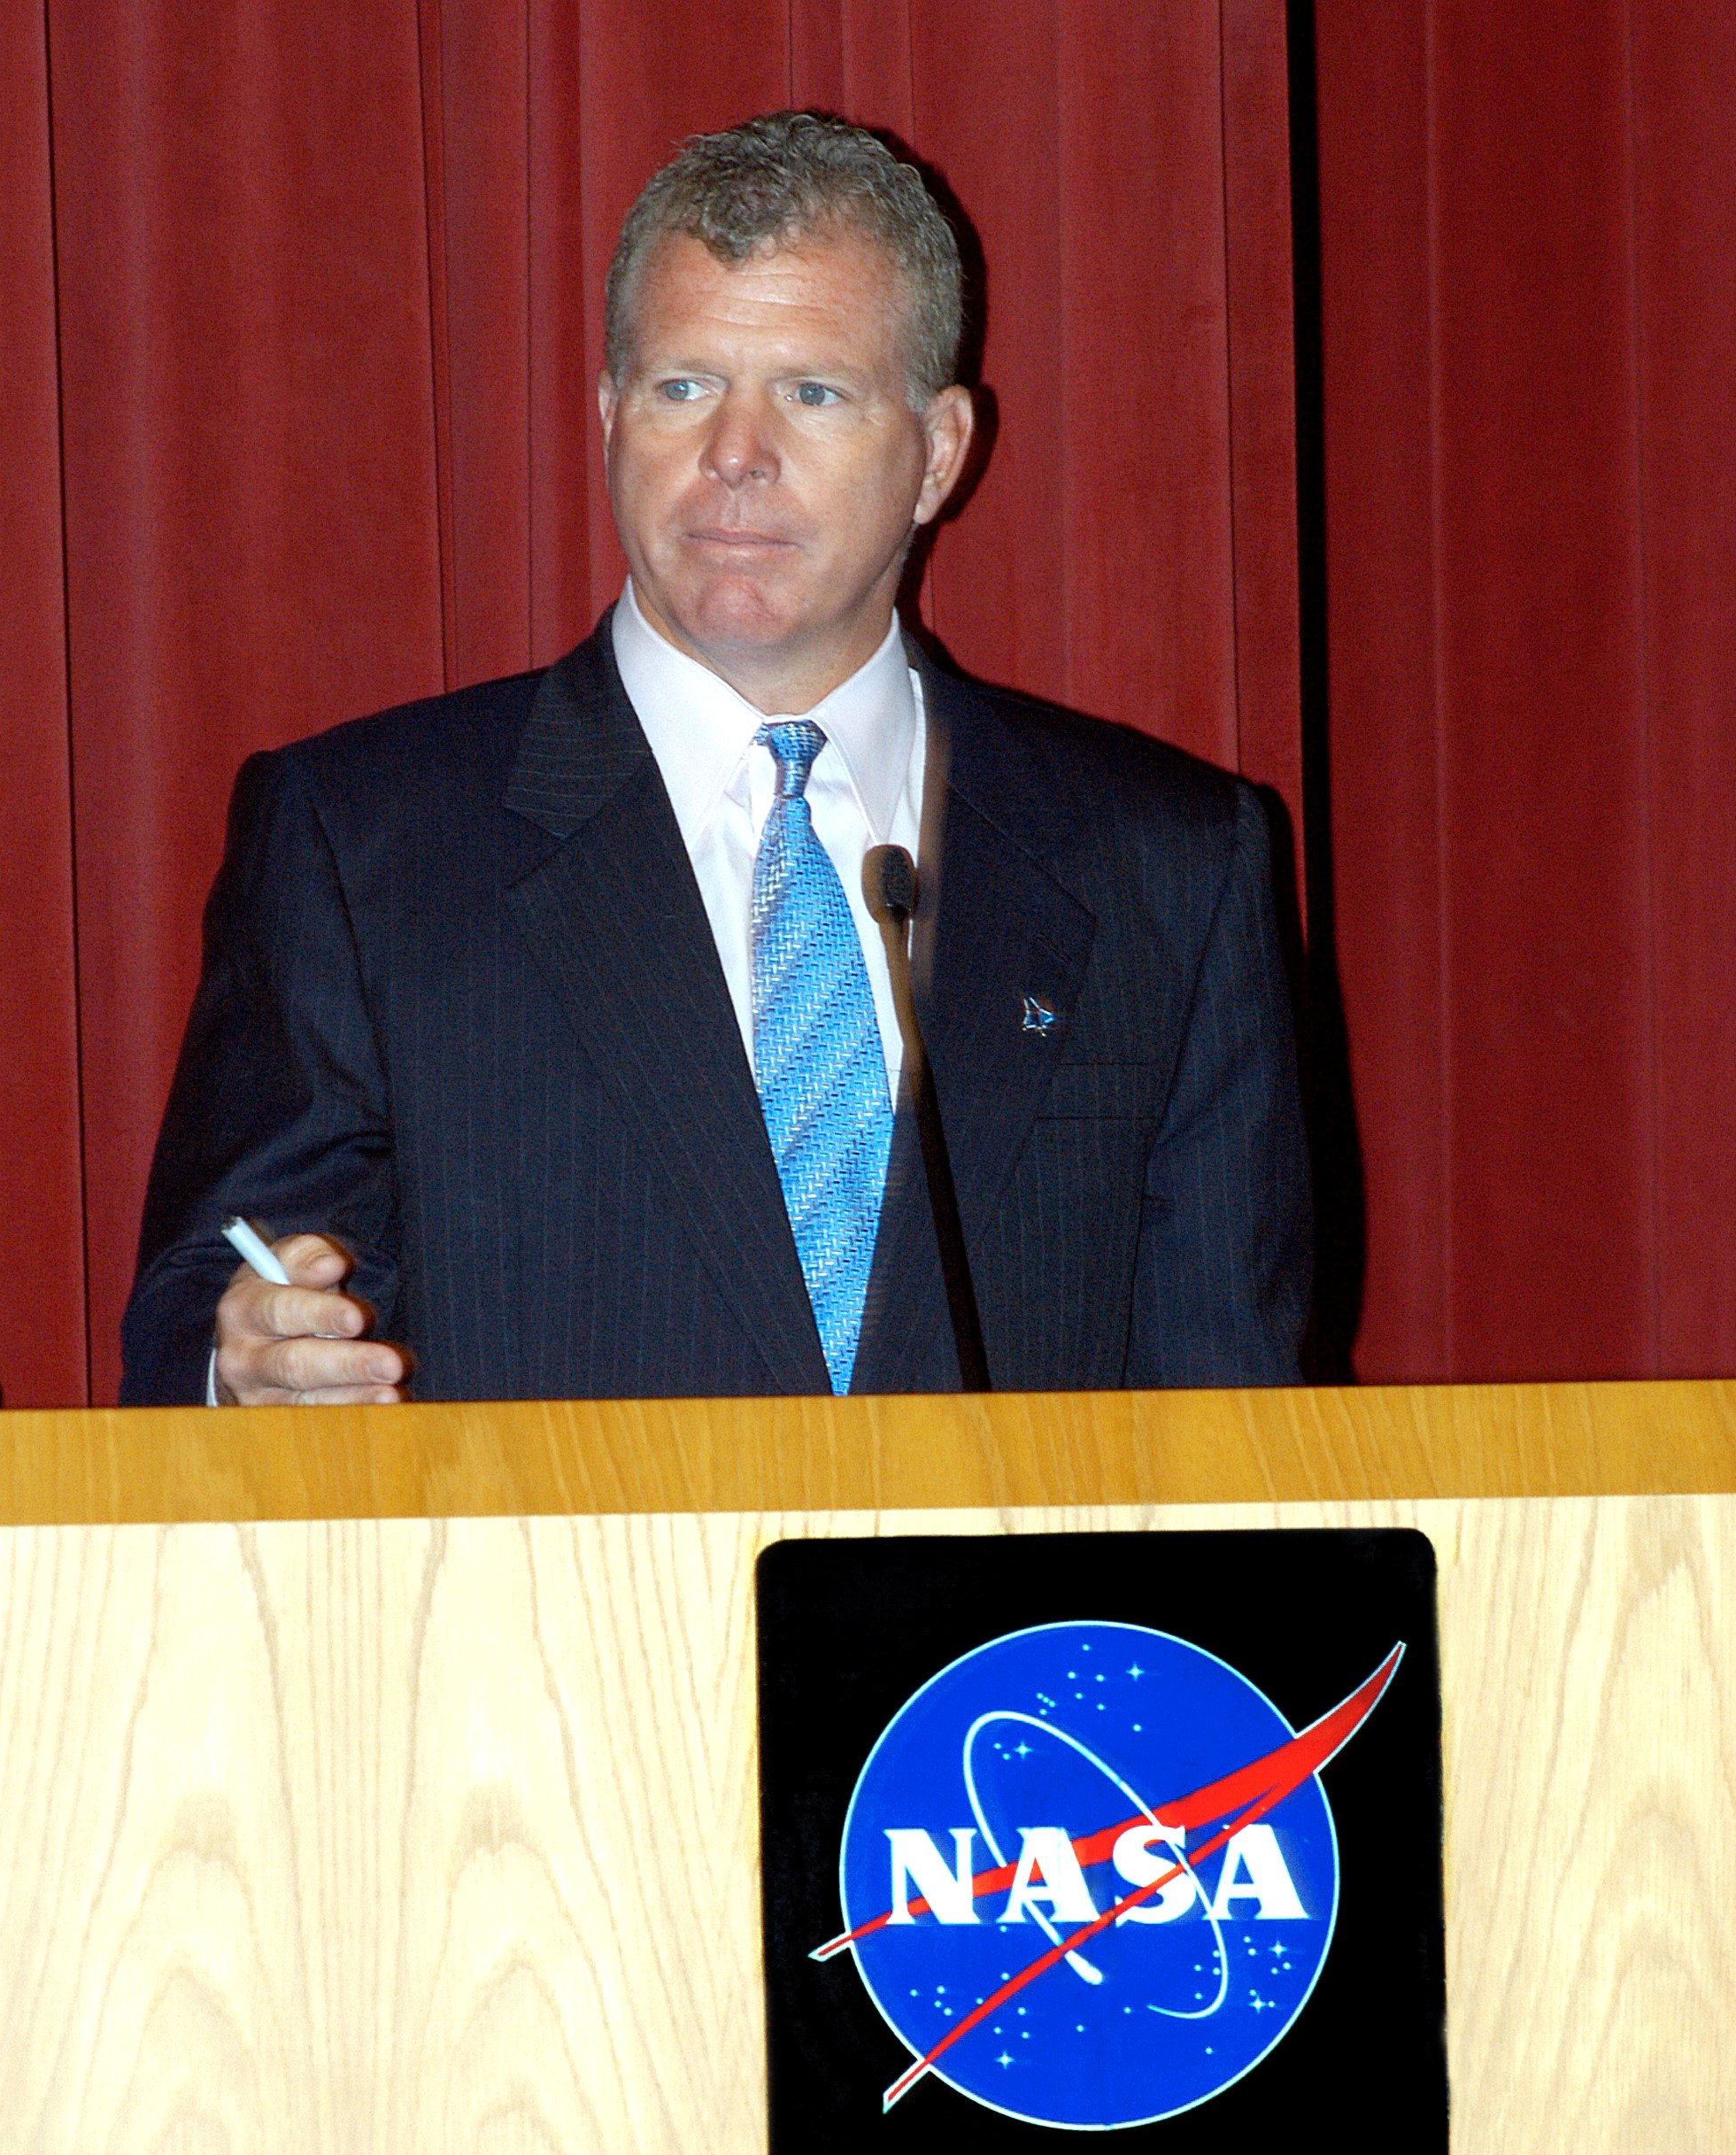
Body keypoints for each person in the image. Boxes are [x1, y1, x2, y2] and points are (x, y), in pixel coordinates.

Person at [120, 112, 1309, 1408]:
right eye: (685, 388)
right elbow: (215, 1305)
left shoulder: (1167, 868)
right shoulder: (363, 843)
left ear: (939, 454)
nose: (736, 456)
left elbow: (1233, 1420)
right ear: (609, 417)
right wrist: (244, 1366)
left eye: (812, 393)